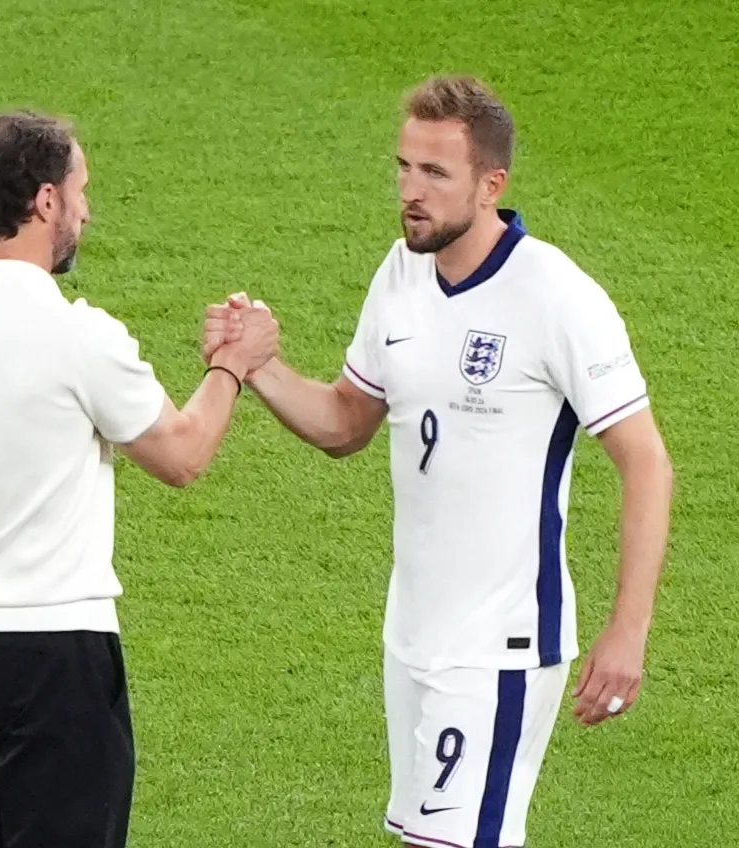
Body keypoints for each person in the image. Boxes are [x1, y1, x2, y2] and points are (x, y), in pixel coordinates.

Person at [203, 75, 674, 848]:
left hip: (500, 645)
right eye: (403, 167)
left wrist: (628, 634)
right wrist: (256, 365)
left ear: (491, 184)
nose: (409, 192)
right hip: (413, 636)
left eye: (434, 174)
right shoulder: (401, 273)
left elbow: (646, 463)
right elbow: (346, 422)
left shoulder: (556, 297)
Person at [0, 110, 277, 848]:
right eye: (80, 190)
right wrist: (233, 364)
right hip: (54, 651)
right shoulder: (77, 335)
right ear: (45, 201)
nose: (86, 208)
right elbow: (182, 454)